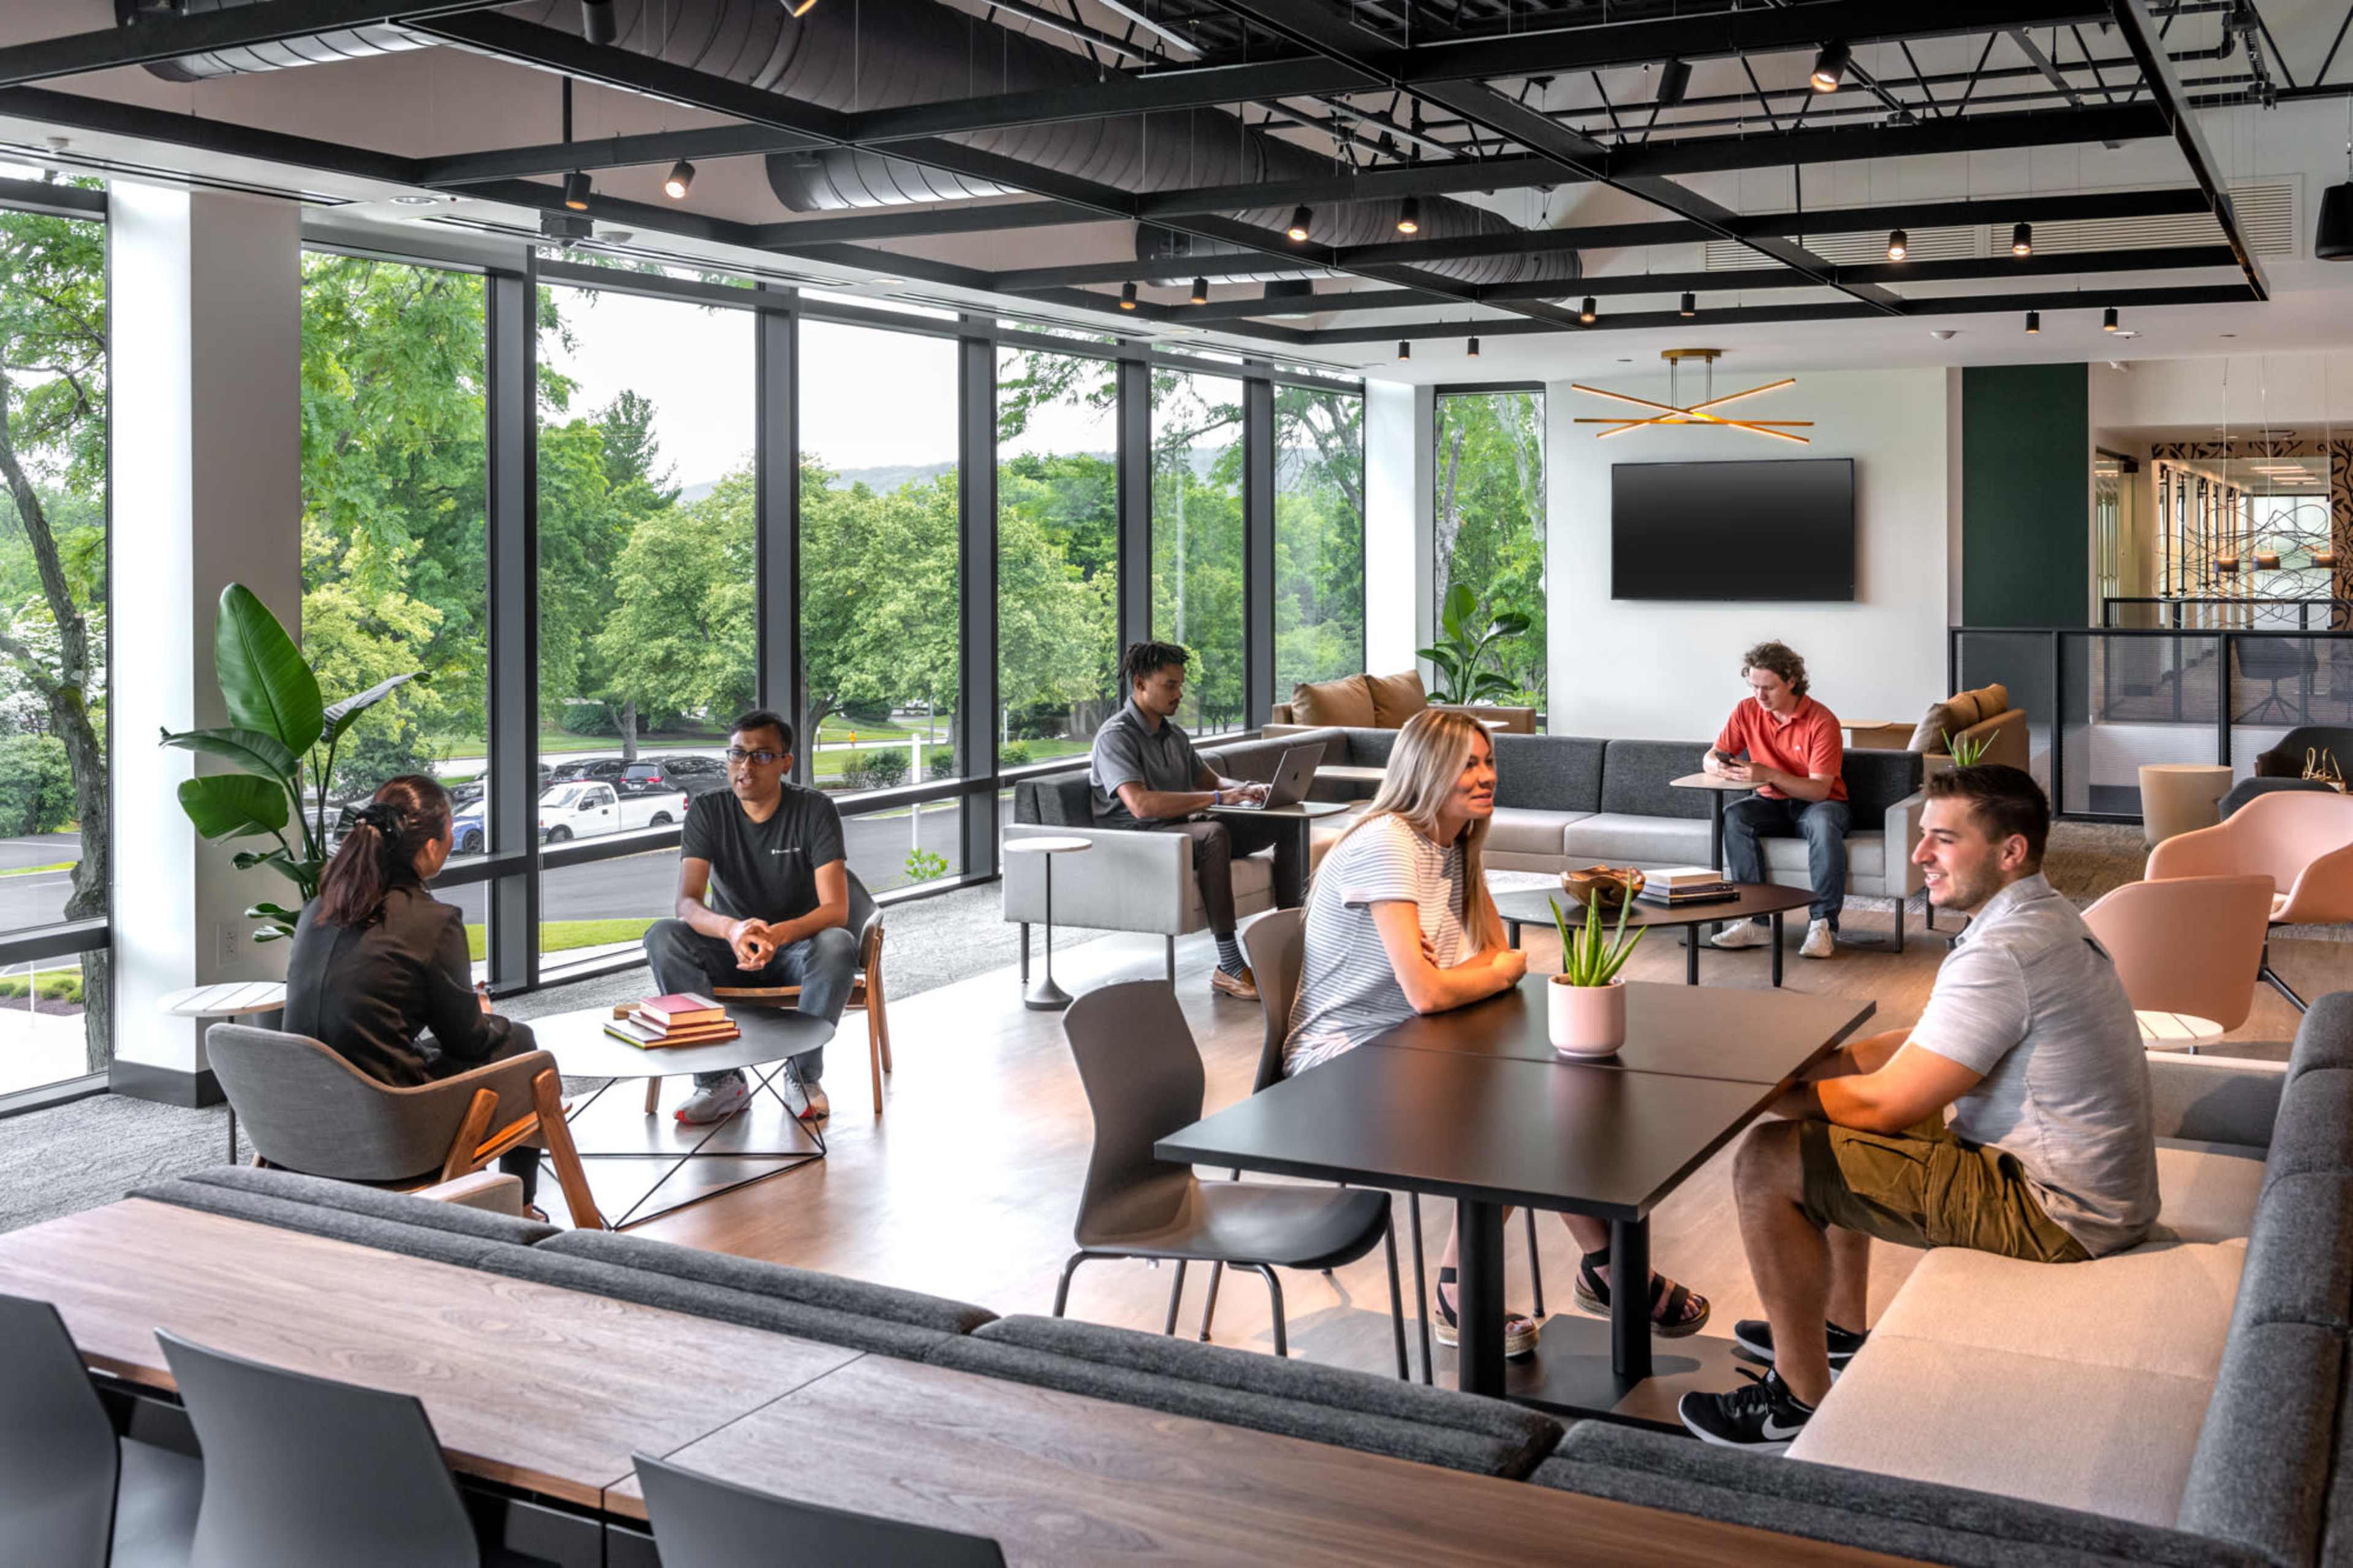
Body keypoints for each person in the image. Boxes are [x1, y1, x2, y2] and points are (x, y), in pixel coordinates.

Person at [1679, 764, 2157, 1450]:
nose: (1920, 854)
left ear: (2010, 851)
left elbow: (1882, 1106)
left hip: (2062, 1215)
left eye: (1943, 839)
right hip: (2098, 1195)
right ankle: (1839, 1329)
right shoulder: (2040, 917)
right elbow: (1927, 1041)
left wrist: (1759, 1088)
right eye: (1924, 836)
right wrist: (1806, 1067)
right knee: (1843, 1112)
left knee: (1766, 1160)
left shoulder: (2004, 952)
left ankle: (1796, 1400)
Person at [1286, 708, 1711, 1359]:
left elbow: (1500, 958)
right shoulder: (1388, 844)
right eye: (1467, 764)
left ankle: (1599, 1267)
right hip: (1340, 1062)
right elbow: (1435, 991)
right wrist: (1478, 974)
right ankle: (1486, 1286)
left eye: (1488, 762)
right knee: (1515, 1111)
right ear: (1426, 770)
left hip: (1412, 1042)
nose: (1486, 776)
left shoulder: (1454, 842)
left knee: (1568, 1091)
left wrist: (1475, 973)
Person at [282, 775, 547, 1215]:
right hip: (388, 1128)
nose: (451, 840)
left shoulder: (318, 909)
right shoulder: (432, 921)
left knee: (460, 1045)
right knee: (522, 1046)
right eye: (450, 829)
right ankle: (521, 1207)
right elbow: (468, 1042)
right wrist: (481, 1013)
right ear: (429, 847)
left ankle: (512, 1202)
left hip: (300, 1122)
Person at [640, 709, 858, 1126]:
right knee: (662, 936)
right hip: (730, 950)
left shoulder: (814, 810)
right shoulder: (708, 810)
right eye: (737, 754)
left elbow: (836, 909)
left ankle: (802, 1077)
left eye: (761, 756)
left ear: (785, 762)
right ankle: (720, 1080)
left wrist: (777, 935)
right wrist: (733, 929)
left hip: (797, 951)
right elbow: (687, 903)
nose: (745, 767)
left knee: (838, 943)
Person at [1089, 640, 1300, 1002]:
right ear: (1140, 684)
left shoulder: (1173, 735)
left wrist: (1248, 789)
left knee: (1285, 819)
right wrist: (1218, 799)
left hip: (1177, 830)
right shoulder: (1116, 737)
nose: (1179, 694)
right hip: (1138, 841)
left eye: (1181, 685)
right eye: (1170, 685)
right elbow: (1140, 806)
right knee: (1212, 833)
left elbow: (1211, 781)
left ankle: (1291, 941)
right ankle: (1229, 965)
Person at [1707, 640, 1848, 961]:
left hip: (1821, 804)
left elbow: (1819, 790)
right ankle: (1755, 922)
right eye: (1754, 686)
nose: (1760, 696)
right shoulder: (1746, 710)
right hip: (1771, 803)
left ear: (1792, 681)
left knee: (1823, 824)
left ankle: (1823, 924)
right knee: (1735, 815)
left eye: (1769, 688)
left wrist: (1768, 774)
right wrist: (1719, 766)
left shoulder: (1822, 721)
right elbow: (1711, 755)